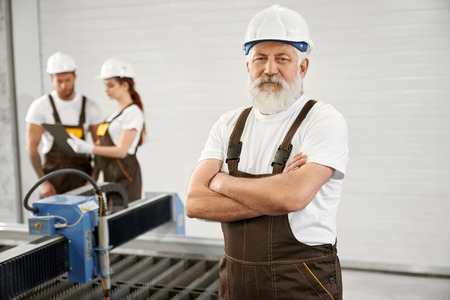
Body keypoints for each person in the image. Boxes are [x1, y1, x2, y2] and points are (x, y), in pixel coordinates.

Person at [185, 4, 348, 300]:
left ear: (303, 67)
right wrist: (274, 192)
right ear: (248, 66)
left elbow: (293, 197)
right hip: (236, 282)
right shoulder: (229, 124)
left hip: (302, 282)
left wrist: (221, 183)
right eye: (260, 58)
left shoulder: (323, 120)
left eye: (282, 58)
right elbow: (195, 203)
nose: (269, 69)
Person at [67, 58, 145, 203]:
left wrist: (90, 148)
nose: (106, 89)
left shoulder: (132, 113)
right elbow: (101, 147)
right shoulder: (113, 115)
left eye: (111, 85)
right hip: (111, 175)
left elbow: (122, 151)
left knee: (123, 219)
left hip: (126, 175)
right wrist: (93, 178)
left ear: (125, 85)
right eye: (105, 85)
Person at [26, 51, 102, 197]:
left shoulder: (90, 107)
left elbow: (99, 145)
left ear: (75, 77)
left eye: (67, 80)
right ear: (51, 79)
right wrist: (43, 182)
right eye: (58, 81)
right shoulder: (40, 107)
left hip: (83, 182)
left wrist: (93, 179)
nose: (63, 86)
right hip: (52, 185)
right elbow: (31, 147)